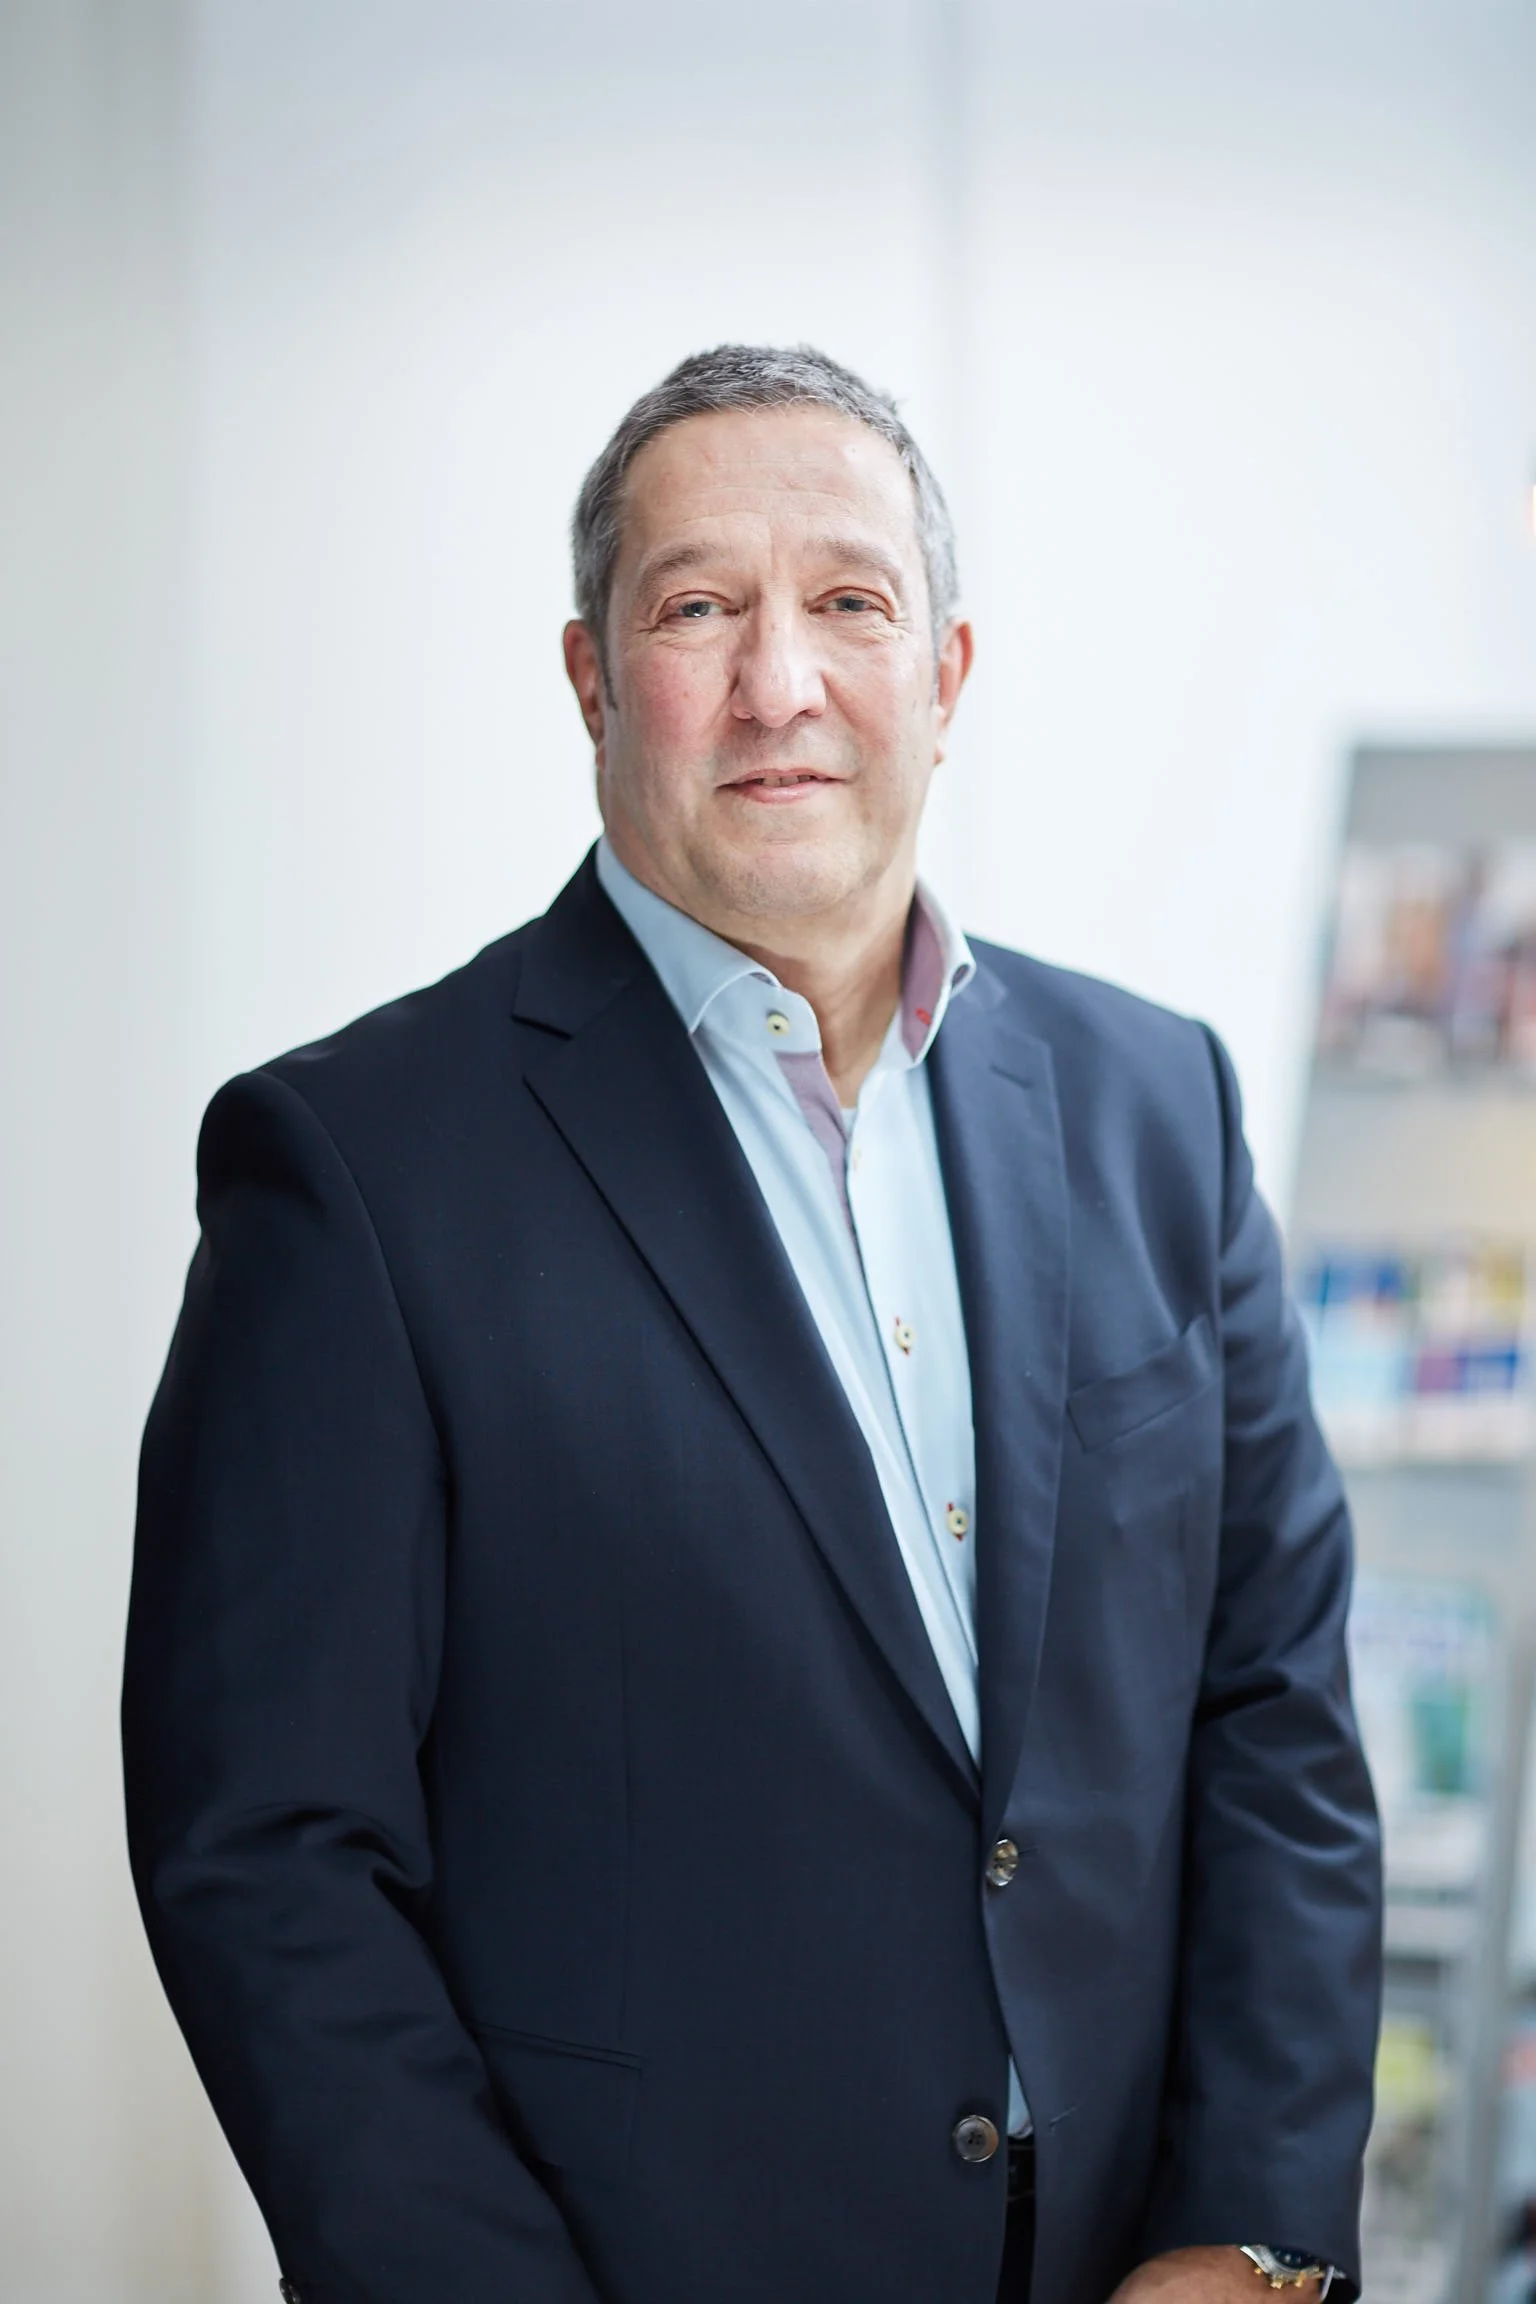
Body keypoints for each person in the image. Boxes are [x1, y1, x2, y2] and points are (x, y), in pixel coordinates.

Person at [122, 344, 1382, 2304]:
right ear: (591, 679)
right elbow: (269, 1855)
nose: (779, 681)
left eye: (851, 604)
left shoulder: (1162, 1108)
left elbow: (1273, 1707)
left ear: (947, 674)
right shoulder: (356, 1171)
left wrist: (1249, 2232)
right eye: (698, 607)